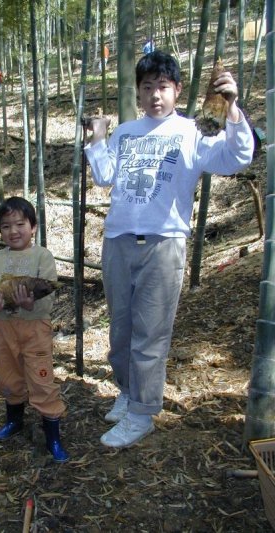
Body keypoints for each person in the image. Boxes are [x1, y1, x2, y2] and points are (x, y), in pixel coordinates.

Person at [85, 50, 254, 448]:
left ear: (177, 89)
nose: (155, 95)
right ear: (138, 92)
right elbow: (104, 176)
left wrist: (232, 109)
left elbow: (237, 157)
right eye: (147, 88)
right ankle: (129, 392)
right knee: (121, 331)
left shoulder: (193, 131)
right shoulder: (127, 132)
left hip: (163, 244)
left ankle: (142, 414)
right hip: (118, 241)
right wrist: (98, 136)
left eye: (162, 87)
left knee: (150, 334)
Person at [0, 196, 69, 463]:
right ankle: (14, 421)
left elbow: (49, 296)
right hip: (4, 329)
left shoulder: (42, 256)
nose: (13, 231)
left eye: (20, 224)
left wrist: (31, 304)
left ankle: (53, 436)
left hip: (35, 329)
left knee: (42, 379)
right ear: (0, 230)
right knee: (9, 377)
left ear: (33, 227)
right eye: (6, 226)